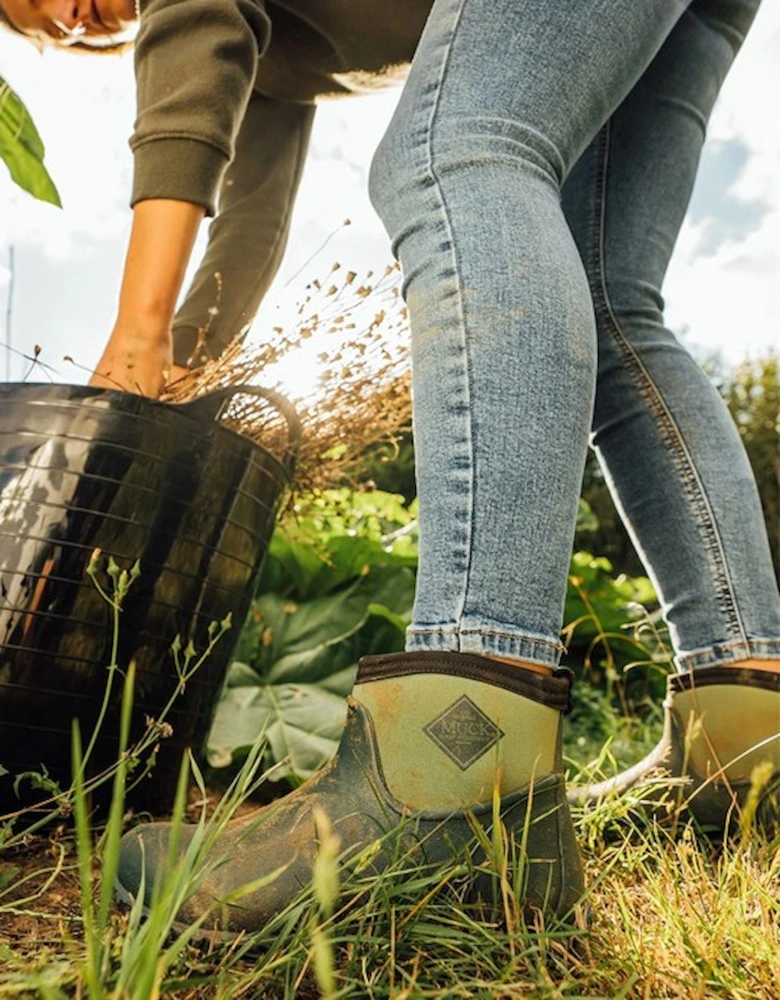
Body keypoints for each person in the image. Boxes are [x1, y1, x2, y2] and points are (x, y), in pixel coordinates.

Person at [2, 0, 779, 934]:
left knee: (455, 154)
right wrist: (169, 387)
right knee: (611, 296)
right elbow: (247, 221)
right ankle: (746, 750)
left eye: (35, 1)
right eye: (54, 37)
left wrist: (135, 334)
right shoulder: (280, 42)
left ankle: (453, 771)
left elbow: (192, 32)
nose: (73, 22)